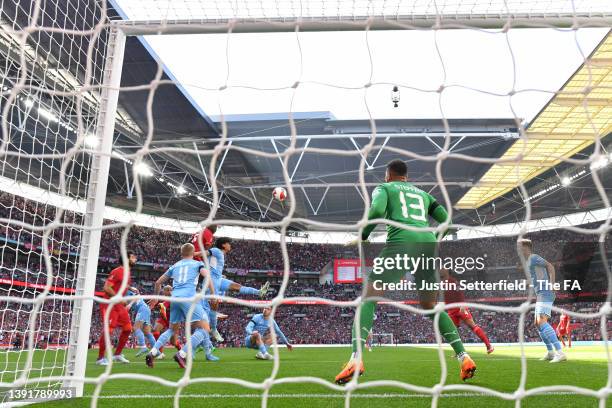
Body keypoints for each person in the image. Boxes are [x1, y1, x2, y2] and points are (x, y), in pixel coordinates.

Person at [334, 159, 476, 384]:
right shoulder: (424, 195)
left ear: (388, 175)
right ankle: (464, 356)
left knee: (369, 299)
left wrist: (363, 236)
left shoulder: (385, 187)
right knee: (430, 306)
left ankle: (356, 358)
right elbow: (447, 222)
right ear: (406, 176)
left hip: (400, 244)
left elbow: (378, 209)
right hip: (428, 246)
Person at [145, 243, 217, 368]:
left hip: (175, 298)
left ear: (181, 253)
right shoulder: (197, 264)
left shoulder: (175, 265)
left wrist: (156, 298)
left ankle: (153, 352)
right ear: (193, 253)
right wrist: (213, 294)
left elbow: (158, 282)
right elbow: (207, 275)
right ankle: (182, 354)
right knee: (204, 328)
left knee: (172, 329)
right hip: (188, 298)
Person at [519, 239, 566, 363]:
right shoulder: (529, 261)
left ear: (526, 247)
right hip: (540, 293)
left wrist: (552, 284)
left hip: (545, 292)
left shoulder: (534, 257)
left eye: (520, 247)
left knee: (541, 321)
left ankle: (560, 353)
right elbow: (535, 279)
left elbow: (550, 266)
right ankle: (550, 352)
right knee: (537, 323)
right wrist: (526, 283)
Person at [95, 251, 138, 366]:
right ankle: (100, 358)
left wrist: (130, 288)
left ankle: (117, 354)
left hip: (119, 305)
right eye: (133, 257)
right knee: (108, 331)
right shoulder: (117, 271)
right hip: (109, 304)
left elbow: (120, 284)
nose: (136, 259)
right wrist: (119, 298)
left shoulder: (127, 272)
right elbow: (106, 288)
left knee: (128, 329)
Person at [440, 268, 494, 354]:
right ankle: (459, 351)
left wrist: (462, 304)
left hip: (460, 307)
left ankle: (489, 345)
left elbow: (460, 293)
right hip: (451, 310)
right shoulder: (442, 283)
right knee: (453, 331)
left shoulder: (453, 281)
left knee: (472, 325)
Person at [150, 285, 181, 360]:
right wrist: (153, 306)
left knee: (173, 342)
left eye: (169, 290)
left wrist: (157, 305)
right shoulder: (162, 298)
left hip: (174, 320)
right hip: (164, 318)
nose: (166, 291)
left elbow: (163, 305)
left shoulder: (174, 298)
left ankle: (181, 351)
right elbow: (160, 307)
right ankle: (160, 353)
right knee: (155, 330)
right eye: (166, 290)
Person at [128, 289, 157, 357]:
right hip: (146, 309)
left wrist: (130, 304)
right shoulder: (129, 290)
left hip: (142, 309)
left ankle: (143, 347)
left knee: (136, 328)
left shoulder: (127, 290)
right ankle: (156, 351)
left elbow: (136, 296)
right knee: (147, 333)